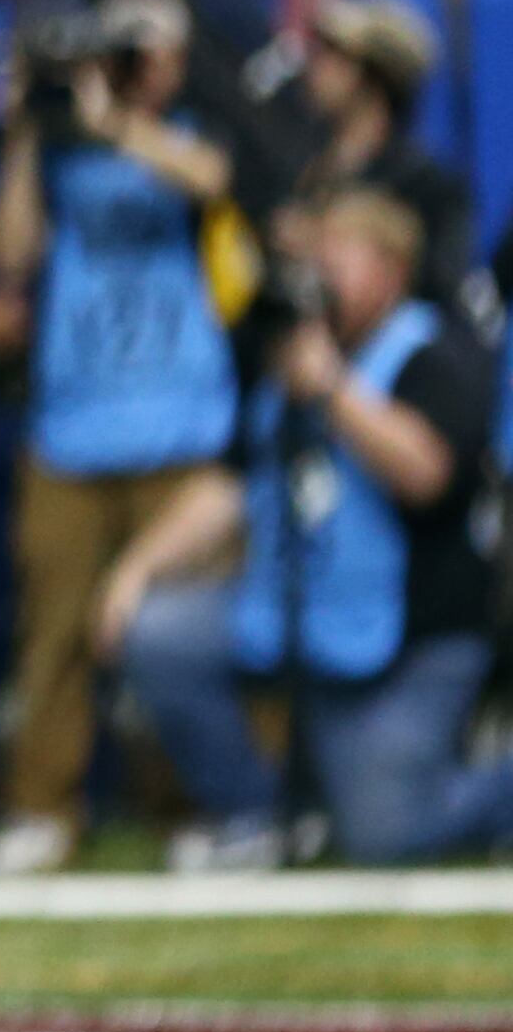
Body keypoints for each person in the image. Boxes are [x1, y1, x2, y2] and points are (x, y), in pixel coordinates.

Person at [103, 187, 506, 867]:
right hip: (301, 618)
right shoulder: (287, 354)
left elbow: (428, 474)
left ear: (392, 269)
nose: (321, 274)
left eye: (340, 256)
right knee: (162, 632)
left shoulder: (436, 351)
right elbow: (234, 481)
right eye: (316, 255)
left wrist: (332, 391)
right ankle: (255, 813)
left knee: (385, 838)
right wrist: (135, 570)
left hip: (416, 640)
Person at [0, 0, 240, 874]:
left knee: (169, 635)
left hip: (179, 422)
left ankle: (191, 808)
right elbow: (11, 257)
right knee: (51, 631)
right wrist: (27, 129)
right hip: (71, 426)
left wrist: (112, 119)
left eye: (148, 47)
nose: (138, 63)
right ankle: (42, 807)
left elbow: (211, 184)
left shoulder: (190, 137)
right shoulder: (56, 149)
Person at [291, 0, 472, 307]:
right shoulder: (307, 167)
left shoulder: (427, 188)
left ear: (374, 76)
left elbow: (440, 292)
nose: (316, 67)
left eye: (335, 54)